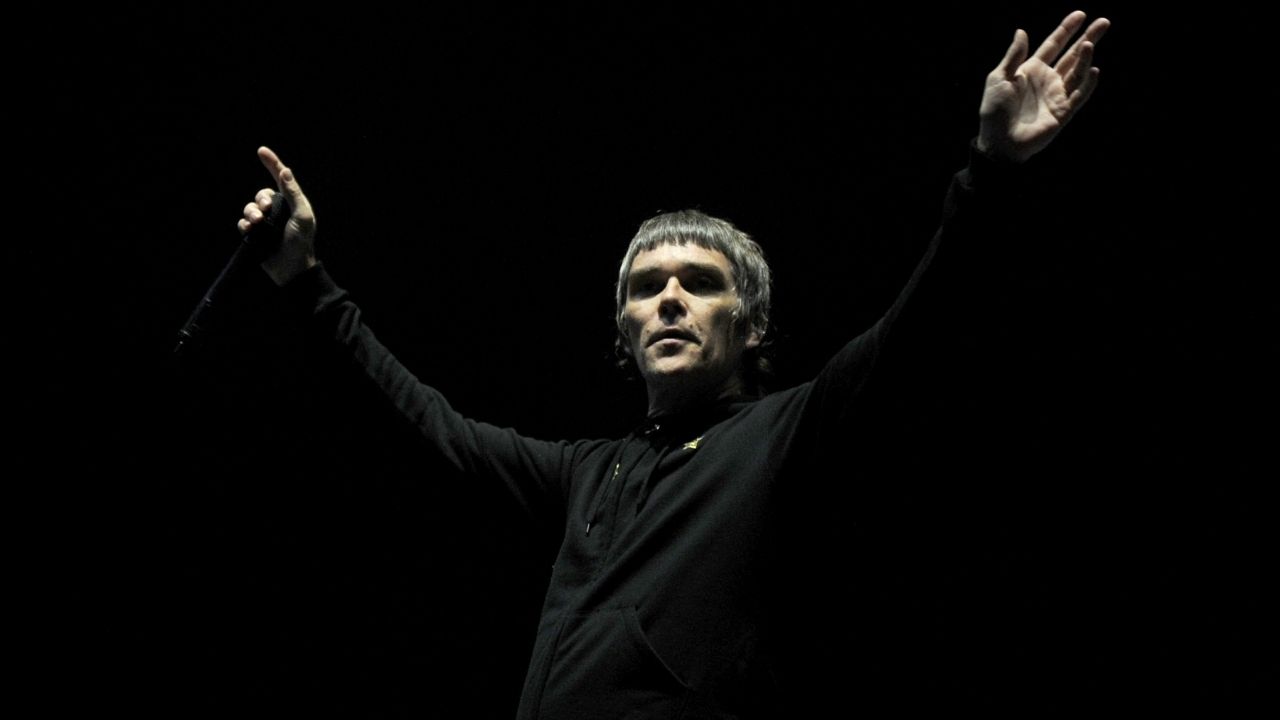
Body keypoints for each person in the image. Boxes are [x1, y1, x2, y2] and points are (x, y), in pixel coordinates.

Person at [235, 11, 1109, 717]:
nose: (670, 299)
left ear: (751, 324)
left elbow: (925, 328)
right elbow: (429, 425)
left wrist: (991, 171)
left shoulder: (787, 433)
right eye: (648, 287)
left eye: (699, 283)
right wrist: (306, 281)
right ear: (622, 330)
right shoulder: (586, 474)